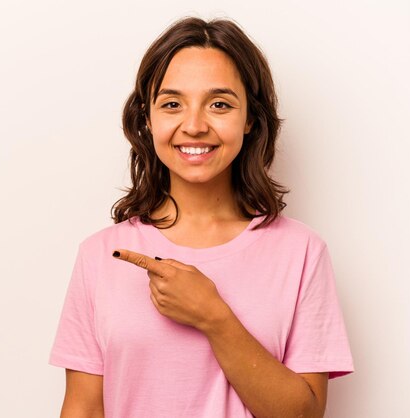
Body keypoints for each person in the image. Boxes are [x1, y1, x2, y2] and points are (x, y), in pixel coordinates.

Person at [49, 16, 353, 418]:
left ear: (250, 119)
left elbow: (304, 414)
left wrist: (214, 317)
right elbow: (83, 409)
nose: (194, 126)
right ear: (147, 118)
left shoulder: (302, 252)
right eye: (172, 104)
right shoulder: (100, 255)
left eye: (220, 104)